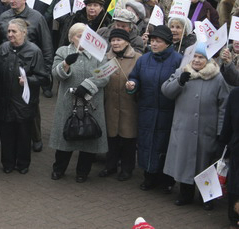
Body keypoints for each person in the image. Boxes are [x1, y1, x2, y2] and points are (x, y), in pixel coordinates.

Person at [162, 42, 229, 210]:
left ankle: (207, 197)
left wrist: (221, 131)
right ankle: (185, 194)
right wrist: (179, 82)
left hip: (206, 130)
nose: (197, 60)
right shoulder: (182, 72)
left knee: (205, 164)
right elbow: (166, 91)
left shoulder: (217, 78)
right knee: (185, 163)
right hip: (183, 128)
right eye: (195, 57)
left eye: (201, 57)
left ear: (209, 60)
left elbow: (223, 107)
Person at [49, 22, 109, 182]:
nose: (82, 39)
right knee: (65, 138)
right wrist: (66, 64)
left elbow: (104, 75)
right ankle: (59, 169)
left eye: (85, 36)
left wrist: (87, 86)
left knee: (89, 139)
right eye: (78, 36)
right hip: (68, 103)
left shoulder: (99, 55)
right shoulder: (63, 51)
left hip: (91, 103)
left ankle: (83, 172)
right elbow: (56, 74)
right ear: (71, 38)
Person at [126, 25, 182, 193]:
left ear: (167, 43)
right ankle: (148, 176)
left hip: (168, 111)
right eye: (152, 41)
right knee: (146, 143)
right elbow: (134, 76)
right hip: (147, 109)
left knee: (164, 145)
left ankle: (166, 180)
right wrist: (132, 85)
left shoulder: (178, 60)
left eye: (158, 41)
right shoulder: (144, 60)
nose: (154, 44)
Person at [0, 19, 48, 174]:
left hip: (24, 102)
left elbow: (44, 78)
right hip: (5, 101)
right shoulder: (3, 48)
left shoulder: (34, 51)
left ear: (23, 33)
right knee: (6, 134)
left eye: (14, 31)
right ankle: (8, 163)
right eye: (9, 31)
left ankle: (23, 163)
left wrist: (29, 80)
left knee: (23, 134)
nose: (10, 35)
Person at [99, 28, 141, 181]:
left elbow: (142, 80)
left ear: (127, 42)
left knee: (128, 139)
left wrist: (134, 86)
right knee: (112, 138)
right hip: (110, 104)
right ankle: (110, 166)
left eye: (119, 40)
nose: (115, 43)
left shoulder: (138, 58)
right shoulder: (105, 58)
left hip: (129, 106)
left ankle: (127, 168)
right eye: (113, 40)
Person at [219, 87, 239, 226]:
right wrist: (223, 144)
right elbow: (228, 122)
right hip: (237, 147)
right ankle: (234, 218)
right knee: (235, 184)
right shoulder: (235, 94)